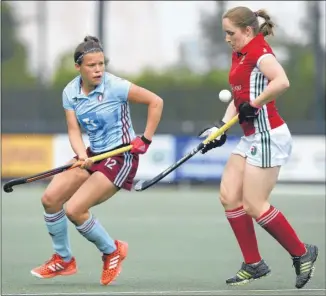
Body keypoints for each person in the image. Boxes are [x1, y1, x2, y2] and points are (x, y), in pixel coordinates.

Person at [198, 6, 318, 289]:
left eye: (230, 33)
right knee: (229, 195)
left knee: (254, 205)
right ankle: (253, 263)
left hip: (268, 135)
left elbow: (282, 81)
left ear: (247, 31)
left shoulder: (260, 53)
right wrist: (220, 127)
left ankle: (302, 253)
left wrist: (256, 103)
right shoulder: (239, 54)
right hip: (252, 135)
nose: (227, 38)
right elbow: (240, 98)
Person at [30, 36, 164, 286]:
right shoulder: (70, 92)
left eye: (101, 64)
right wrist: (81, 154)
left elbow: (156, 102)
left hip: (121, 156)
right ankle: (64, 259)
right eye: (92, 65)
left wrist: (145, 139)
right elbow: (73, 130)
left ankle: (112, 251)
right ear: (78, 67)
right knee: (50, 199)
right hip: (94, 154)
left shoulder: (116, 86)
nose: (98, 70)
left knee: (74, 209)